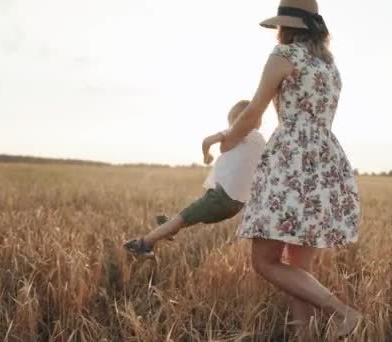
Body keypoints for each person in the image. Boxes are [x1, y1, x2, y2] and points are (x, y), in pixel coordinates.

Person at [219, 0, 362, 337]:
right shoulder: (329, 66)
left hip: (291, 160)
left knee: (264, 261)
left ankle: (343, 313)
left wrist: (226, 140)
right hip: (325, 160)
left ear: (285, 26)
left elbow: (255, 112)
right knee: (300, 267)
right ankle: (303, 336)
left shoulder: (283, 57)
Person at [124, 100, 266, 258]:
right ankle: (167, 227)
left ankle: (144, 244)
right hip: (236, 205)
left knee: (182, 219)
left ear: (238, 119)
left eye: (231, 121)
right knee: (188, 218)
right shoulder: (261, 141)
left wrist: (207, 155)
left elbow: (207, 141)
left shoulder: (238, 130)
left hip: (221, 197)